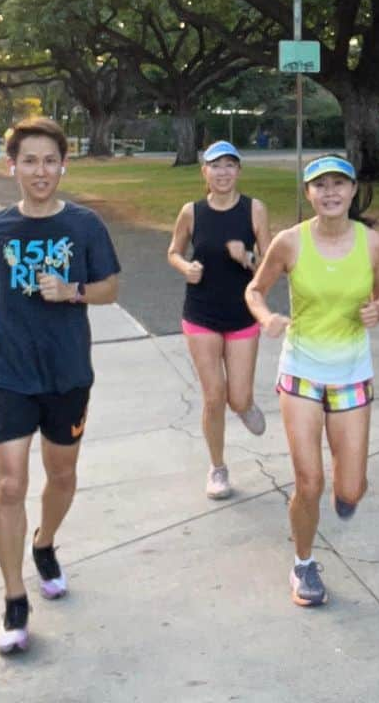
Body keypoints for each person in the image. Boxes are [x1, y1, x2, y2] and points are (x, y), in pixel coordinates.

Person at [0, 117, 120, 654]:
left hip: (67, 373)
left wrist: (72, 290)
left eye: (49, 160)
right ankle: (14, 599)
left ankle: (45, 542)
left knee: (62, 474)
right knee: (10, 484)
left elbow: (109, 288)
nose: (40, 170)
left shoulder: (84, 225)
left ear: (63, 165)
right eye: (29, 160)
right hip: (9, 372)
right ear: (12, 166)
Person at [245, 155, 379, 607]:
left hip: (351, 374)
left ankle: (348, 494)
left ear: (352, 191)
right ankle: (303, 564)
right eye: (320, 185)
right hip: (302, 371)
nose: (330, 193)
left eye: (338, 184)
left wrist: (377, 311)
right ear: (308, 194)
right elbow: (254, 290)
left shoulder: (374, 244)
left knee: (350, 488)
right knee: (309, 482)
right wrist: (266, 316)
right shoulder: (289, 243)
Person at [167, 140, 271, 499]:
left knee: (236, 397)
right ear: (204, 172)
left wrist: (248, 258)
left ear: (239, 171)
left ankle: (245, 406)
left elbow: (271, 267)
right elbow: (173, 251)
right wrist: (186, 267)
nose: (223, 172)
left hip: (242, 314)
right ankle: (218, 469)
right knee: (214, 396)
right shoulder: (191, 212)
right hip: (201, 313)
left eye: (230, 165)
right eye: (216, 165)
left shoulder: (254, 210)